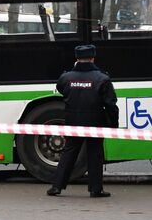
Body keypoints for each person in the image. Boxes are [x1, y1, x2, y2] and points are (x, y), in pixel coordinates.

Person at [47, 44, 118, 198]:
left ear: (76, 58)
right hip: (95, 121)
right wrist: (113, 124)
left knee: (69, 152)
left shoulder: (66, 77)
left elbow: (61, 89)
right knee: (95, 154)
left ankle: (56, 187)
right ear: (93, 58)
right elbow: (111, 104)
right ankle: (95, 189)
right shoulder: (102, 78)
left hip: (73, 121)